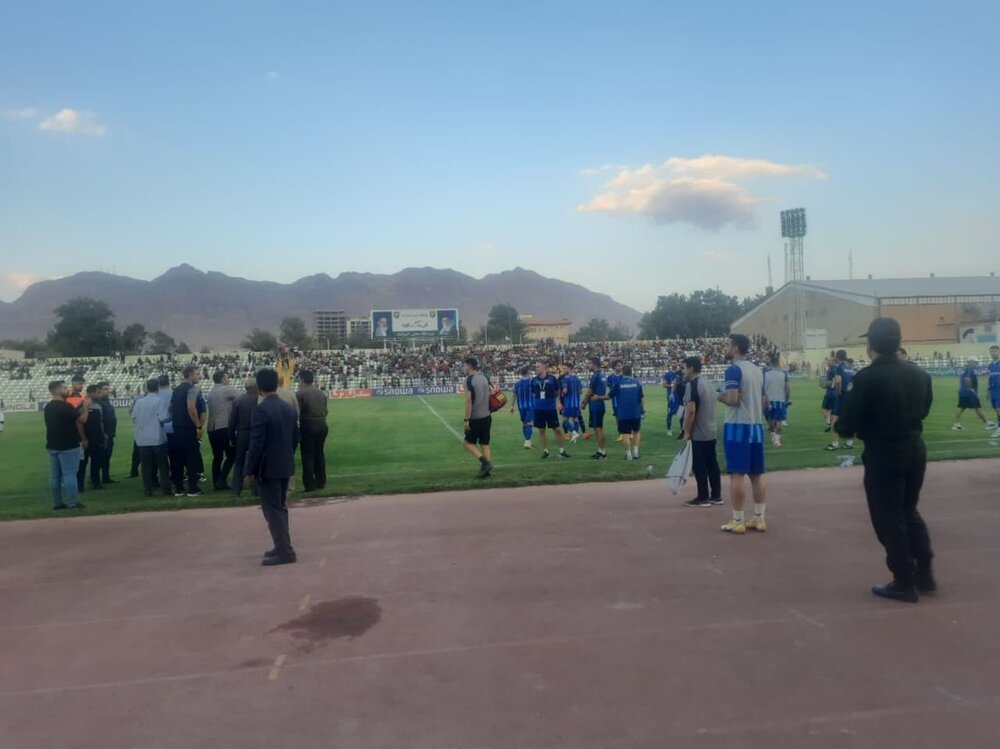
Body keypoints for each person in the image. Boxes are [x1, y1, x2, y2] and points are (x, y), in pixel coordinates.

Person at [837, 318, 935, 603]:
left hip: (883, 453)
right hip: (914, 448)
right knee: (908, 511)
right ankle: (924, 572)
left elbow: (847, 426)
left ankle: (904, 580)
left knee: (888, 518)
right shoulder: (919, 375)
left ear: (872, 344)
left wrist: (845, 425)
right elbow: (924, 410)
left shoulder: (866, 378)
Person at [244, 367, 300, 566]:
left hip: (268, 468)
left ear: (259, 388)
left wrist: (250, 470)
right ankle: (282, 546)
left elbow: (256, 443)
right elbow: (295, 438)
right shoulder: (288, 408)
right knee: (280, 508)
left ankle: (285, 551)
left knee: (272, 511)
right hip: (285, 464)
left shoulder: (260, 410)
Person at [719, 333, 767, 534]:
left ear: (736, 348)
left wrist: (718, 395)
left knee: (737, 474)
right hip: (756, 425)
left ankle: (738, 520)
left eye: (727, 344)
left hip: (737, 426)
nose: (724, 348)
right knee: (756, 474)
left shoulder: (734, 369)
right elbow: (765, 401)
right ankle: (759, 518)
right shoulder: (757, 370)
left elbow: (732, 399)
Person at [681, 356, 722, 507]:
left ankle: (703, 497)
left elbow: (691, 410)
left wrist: (687, 431)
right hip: (711, 429)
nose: (683, 371)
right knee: (712, 463)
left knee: (699, 465)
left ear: (691, 369)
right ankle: (716, 495)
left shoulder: (692, 384)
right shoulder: (708, 382)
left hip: (699, 432)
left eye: (684, 368)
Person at [45, 380, 88, 510]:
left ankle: (56, 502)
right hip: (68, 445)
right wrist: (86, 407)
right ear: (56, 390)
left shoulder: (48, 406)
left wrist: (78, 406)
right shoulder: (65, 406)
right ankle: (73, 502)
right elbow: (82, 419)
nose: (67, 390)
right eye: (64, 388)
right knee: (69, 474)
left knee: (55, 476)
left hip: (53, 444)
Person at [131, 378, 172, 497]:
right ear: (158, 387)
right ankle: (166, 489)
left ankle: (148, 489)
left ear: (147, 388)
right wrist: (171, 414)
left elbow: (134, 417)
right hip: (157, 437)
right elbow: (163, 418)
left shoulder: (139, 402)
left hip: (142, 439)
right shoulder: (159, 401)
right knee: (162, 465)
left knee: (146, 466)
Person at [169, 364, 205, 497]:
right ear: (190, 375)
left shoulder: (176, 390)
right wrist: (198, 426)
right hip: (189, 428)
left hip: (176, 428)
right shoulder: (193, 389)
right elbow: (191, 407)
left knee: (178, 459)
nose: (199, 376)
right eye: (197, 374)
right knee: (192, 458)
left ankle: (178, 489)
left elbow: (171, 408)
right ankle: (192, 489)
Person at [205, 370, 239, 490]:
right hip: (224, 427)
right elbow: (241, 397)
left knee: (217, 457)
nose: (228, 379)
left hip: (211, 428)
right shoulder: (227, 390)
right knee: (231, 455)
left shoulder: (210, 393)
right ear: (223, 379)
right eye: (227, 377)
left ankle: (216, 482)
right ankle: (222, 479)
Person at [296, 369, 329, 491]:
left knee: (307, 455)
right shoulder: (321, 393)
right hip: (322, 424)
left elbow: (297, 412)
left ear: (302, 379)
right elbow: (326, 411)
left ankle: (310, 484)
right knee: (319, 453)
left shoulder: (300, 394)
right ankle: (321, 482)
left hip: (308, 424)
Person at [462, 357, 493, 478]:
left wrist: (467, 420)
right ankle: (487, 471)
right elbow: (492, 392)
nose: (464, 368)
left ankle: (485, 463)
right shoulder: (484, 377)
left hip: (475, 417)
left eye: (465, 366)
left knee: (467, 443)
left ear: (469, 366)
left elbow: (469, 401)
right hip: (487, 416)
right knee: (485, 444)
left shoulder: (468, 380)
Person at [532, 361, 569, 459]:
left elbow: (557, 391)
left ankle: (562, 451)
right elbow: (533, 393)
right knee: (541, 430)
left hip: (550, 409)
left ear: (544, 367)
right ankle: (546, 451)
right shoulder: (534, 380)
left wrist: (557, 401)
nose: (536, 368)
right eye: (535, 367)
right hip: (539, 409)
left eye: (538, 366)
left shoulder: (552, 378)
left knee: (557, 430)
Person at [229, 377, 258, 497]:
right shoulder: (260, 399)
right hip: (256, 433)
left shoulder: (238, 400)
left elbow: (232, 422)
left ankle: (236, 488)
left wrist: (232, 438)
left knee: (239, 462)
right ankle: (255, 489)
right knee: (256, 460)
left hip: (242, 433)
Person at [610, 365, 644, 460]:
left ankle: (628, 455)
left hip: (623, 413)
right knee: (636, 431)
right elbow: (641, 399)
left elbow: (609, 396)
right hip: (635, 412)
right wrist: (643, 410)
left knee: (625, 434)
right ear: (631, 372)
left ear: (623, 373)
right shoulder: (637, 383)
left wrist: (598, 397)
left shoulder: (619, 383)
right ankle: (636, 452)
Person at [825, 351, 856, 451]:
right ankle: (849, 443)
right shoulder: (850, 367)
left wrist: (838, 392)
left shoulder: (839, 367)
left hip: (842, 397)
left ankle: (835, 444)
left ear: (837, 358)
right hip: (851, 397)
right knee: (849, 420)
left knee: (834, 420)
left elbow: (838, 381)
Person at [951, 357, 992, 431]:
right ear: (970, 362)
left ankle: (956, 424)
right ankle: (987, 423)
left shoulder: (965, 370)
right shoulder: (970, 370)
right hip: (969, 394)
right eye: (975, 362)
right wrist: (970, 388)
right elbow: (967, 379)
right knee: (978, 408)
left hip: (963, 392)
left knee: (962, 408)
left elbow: (961, 379)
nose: (977, 364)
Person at [79, 384, 107, 490]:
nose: (99, 395)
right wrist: (83, 438)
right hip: (86, 438)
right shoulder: (82, 405)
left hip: (97, 437)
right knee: (83, 462)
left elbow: (100, 422)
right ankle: (80, 484)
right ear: (91, 393)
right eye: (97, 392)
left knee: (96, 461)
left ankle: (96, 482)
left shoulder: (98, 406)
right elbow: (79, 422)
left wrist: (103, 435)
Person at [582, 357, 609, 459]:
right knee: (596, 428)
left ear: (594, 364)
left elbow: (590, 391)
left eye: (589, 363)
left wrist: (584, 402)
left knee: (598, 429)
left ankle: (603, 452)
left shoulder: (596, 375)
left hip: (596, 404)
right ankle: (600, 450)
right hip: (598, 404)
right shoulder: (601, 374)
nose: (588, 366)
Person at [763, 355, 791, 448]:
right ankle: (777, 440)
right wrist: (786, 399)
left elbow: (762, 388)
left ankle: (774, 436)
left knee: (770, 420)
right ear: (778, 364)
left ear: (770, 364)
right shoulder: (783, 374)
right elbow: (788, 388)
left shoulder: (765, 374)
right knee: (779, 421)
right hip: (780, 400)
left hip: (768, 400)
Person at [96, 381, 117, 484]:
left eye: (108, 389)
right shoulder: (98, 403)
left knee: (107, 456)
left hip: (110, 433)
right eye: (105, 389)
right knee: (100, 457)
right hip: (103, 434)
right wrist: (103, 433)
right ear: (99, 390)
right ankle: (96, 478)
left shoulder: (106, 401)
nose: (108, 391)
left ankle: (105, 477)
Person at [511, 366, 535, 449]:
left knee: (524, 423)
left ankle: (527, 441)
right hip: (530, 406)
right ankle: (527, 442)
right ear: (528, 372)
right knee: (530, 423)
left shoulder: (517, 383)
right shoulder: (532, 382)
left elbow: (514, 395)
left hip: (521, 406)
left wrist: (512, 406)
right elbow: (535, 394)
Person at [560, 363, 584, 443]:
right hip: (576, 403)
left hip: (569, 403)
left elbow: (565, 391)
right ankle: (574, 438)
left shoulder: (565, 379)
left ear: (569, 368)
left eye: (565, 368)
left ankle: (574, 432)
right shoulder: (577, 378)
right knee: (575, 419)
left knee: (565, 420)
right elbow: (580, 391)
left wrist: (562, 394)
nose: (564, 370)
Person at [607, 359, 624, 442]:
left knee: (626, 416)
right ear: (614, 367)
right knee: (617, 417)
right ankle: (621, 434)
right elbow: (611, 390)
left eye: (621, 365)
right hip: (615, 400)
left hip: (625, 400)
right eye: (618, 365)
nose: (620, 367)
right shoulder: (610, 378)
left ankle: (628, 433)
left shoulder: (624, 376)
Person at [820, 355, 837, 431]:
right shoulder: (837, 369)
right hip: (836, 392)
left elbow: (831, 383)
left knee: (825, 409)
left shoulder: (831, 370)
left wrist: (823, 384)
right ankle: (833, 424)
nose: (827, 362)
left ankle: (829, 423)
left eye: (829, 361)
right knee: (833, 410)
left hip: (830, 392)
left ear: (833, 362)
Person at [989, 345, 1000, 438]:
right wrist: (987, 390)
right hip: (993, 390)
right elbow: (990, 378)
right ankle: (998, 423)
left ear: (999, 352)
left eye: (995, 351)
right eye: (992, 351)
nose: (993, 353)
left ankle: (999, 429)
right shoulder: (991, 365)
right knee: (995, 408)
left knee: (998, 409)